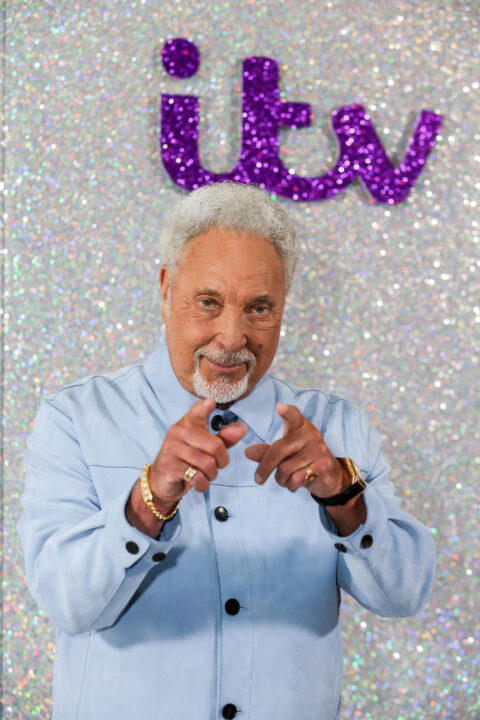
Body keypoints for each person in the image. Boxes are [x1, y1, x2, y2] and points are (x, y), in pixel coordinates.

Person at [19, 181, 436, 720]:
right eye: (208, 302)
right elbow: (68, 603)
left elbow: (403, 595)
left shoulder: (336, 428)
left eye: (259, 308)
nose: (233, 336)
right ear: (167, 288)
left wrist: (343, 497)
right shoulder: (76, 418)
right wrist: (148, 504)